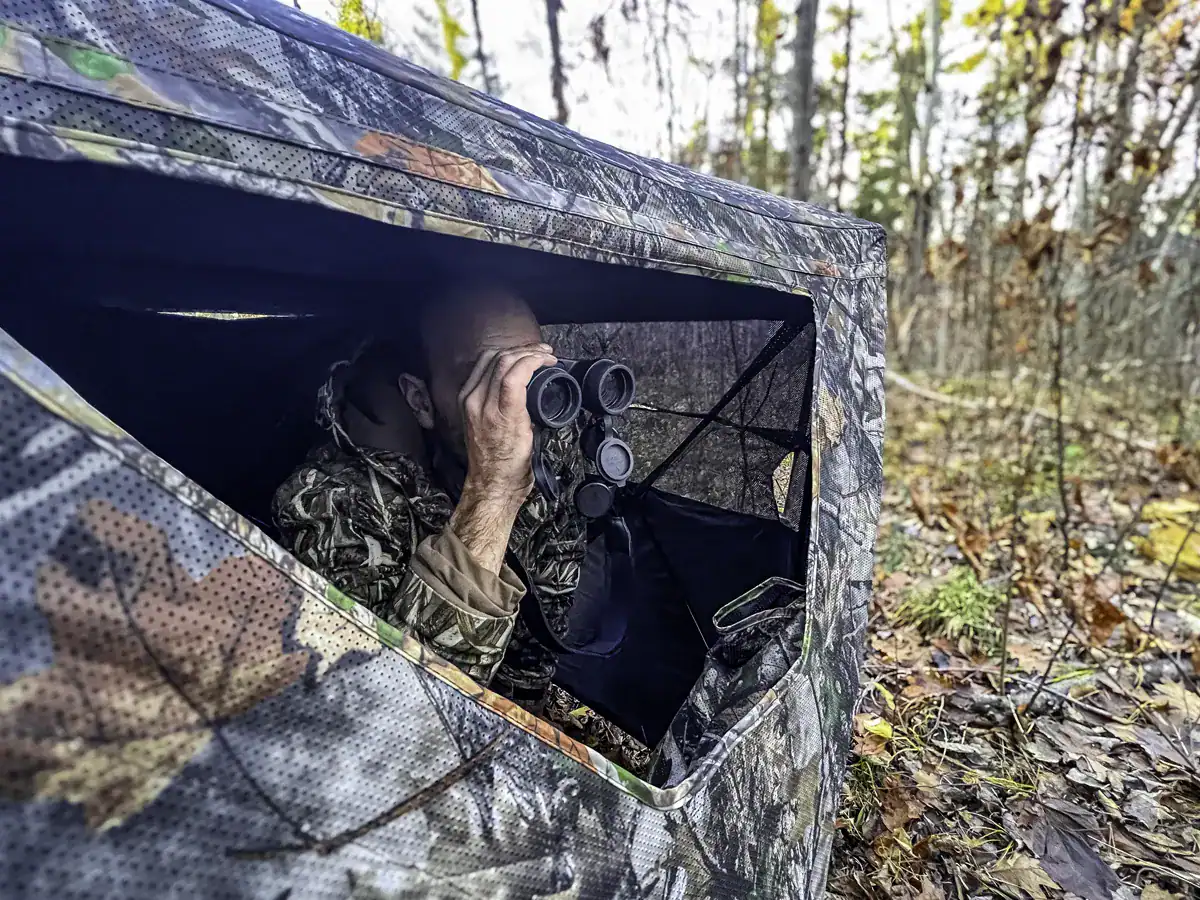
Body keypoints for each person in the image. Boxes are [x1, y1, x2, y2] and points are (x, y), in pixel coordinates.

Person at [273, 284, 585, 714]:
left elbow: (545, 624)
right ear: (421, 400)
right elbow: (396, 709)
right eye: (492, 376)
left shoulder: (549, 445)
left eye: (530, 368)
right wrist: (494, 492)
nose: (519, 398)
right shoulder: (331, 501)